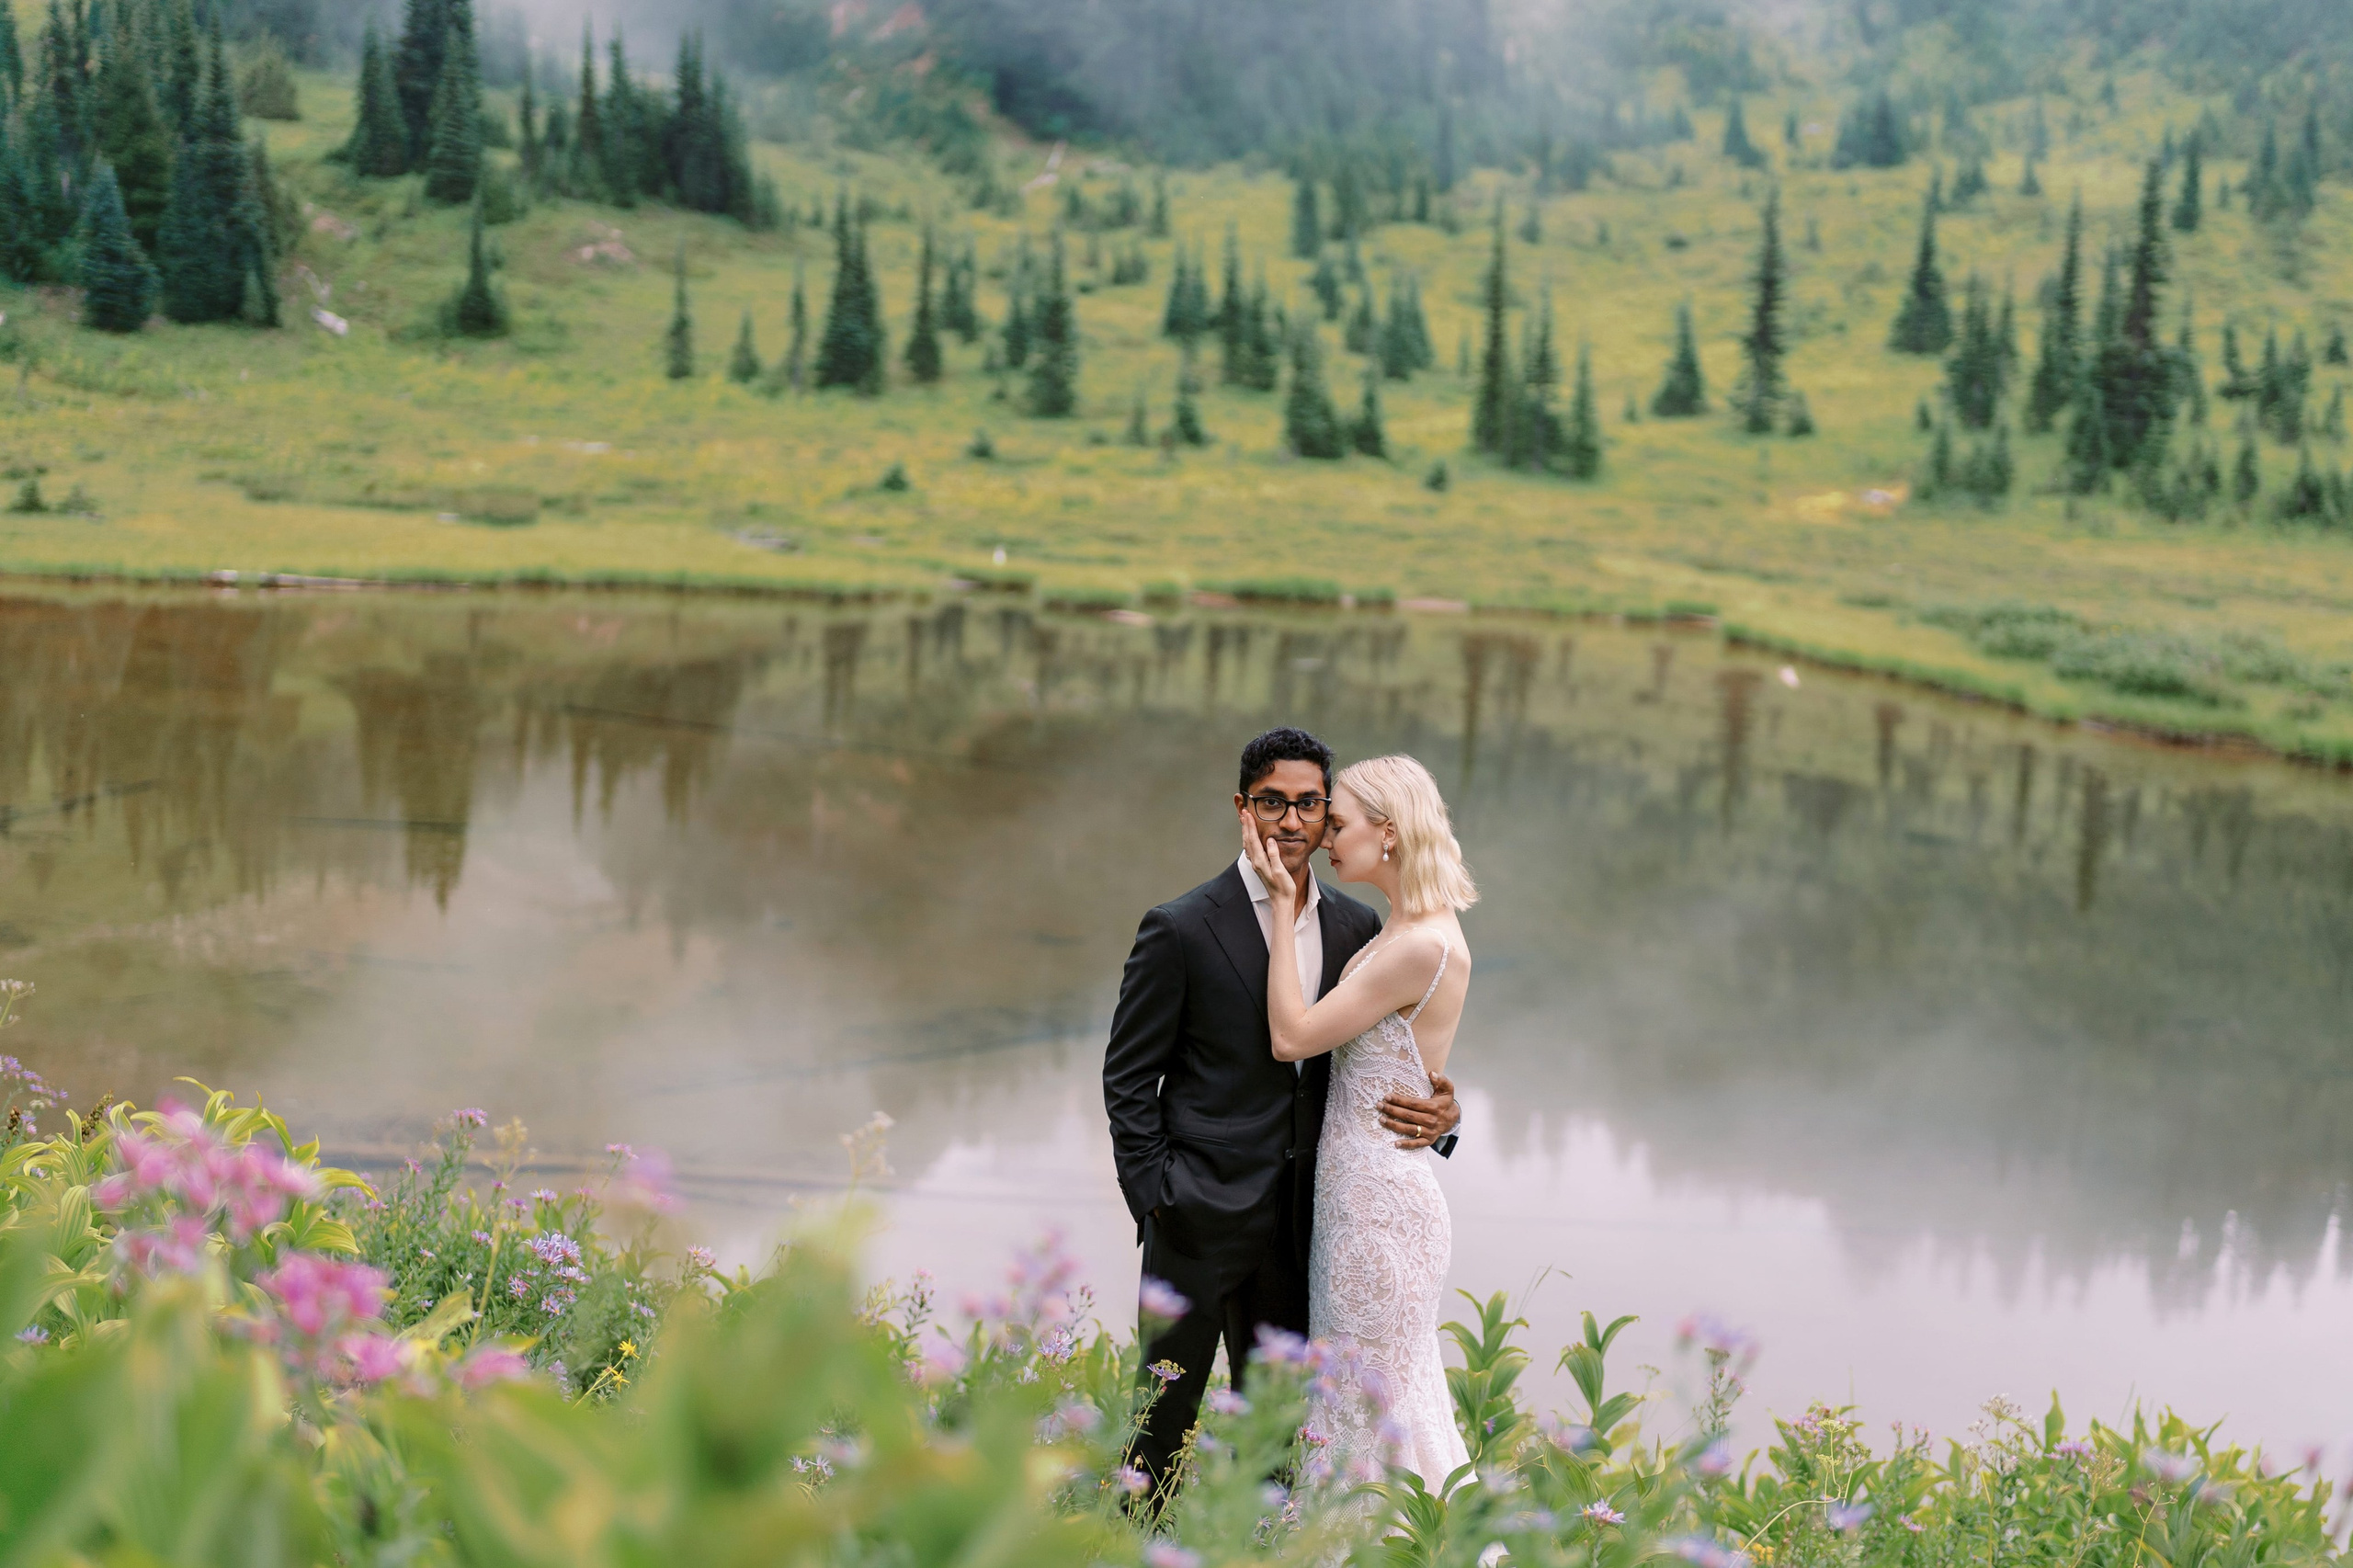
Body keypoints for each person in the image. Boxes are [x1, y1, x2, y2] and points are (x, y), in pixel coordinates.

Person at [1102, 728, 1463, 1499]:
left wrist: (1444, 1111)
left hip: (1311, 1229)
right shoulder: (1181, 927)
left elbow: (1387, 1054)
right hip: (1196, 1216)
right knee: (1160, 1424)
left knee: (1286, 1439)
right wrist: (1158, 1200)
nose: (1292, 823)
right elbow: (1129, 1080)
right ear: (1242, 807)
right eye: (1273, 803)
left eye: (1311, 805)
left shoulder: (1358, 930)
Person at [1241, 752, 1477, 1490]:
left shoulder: (1418, 945)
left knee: (1365, 1408)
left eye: (1336, 824)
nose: (1323, 839)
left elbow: (1291, 1038)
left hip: (1376, 1207)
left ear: (1390, 832)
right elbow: (1405, 1058)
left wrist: (1282, 908)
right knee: (1371, 1400)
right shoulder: (1399, 932)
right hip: (1361, 1197)